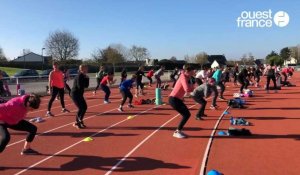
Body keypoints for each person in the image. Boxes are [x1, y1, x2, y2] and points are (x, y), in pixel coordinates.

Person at [169, 65, 195, 138]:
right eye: (193, 72)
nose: (194, 73)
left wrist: (192, 85)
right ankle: (177, 131)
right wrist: (192, 88)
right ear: (188, 71)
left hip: (177, 99)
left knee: (186, 114)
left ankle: (178, 130)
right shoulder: (183, 77)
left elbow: (188, 88)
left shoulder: (187, 77)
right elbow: (187, 89)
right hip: (173, 99)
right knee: (186, 115)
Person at [71, 65, 89, 129]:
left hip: (80, 94)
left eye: (87, 69)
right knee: (81, 108)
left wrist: (87, 78)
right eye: (86, 68)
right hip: (75, 94)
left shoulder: (84, 76)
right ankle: (76, 122)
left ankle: (80, 120)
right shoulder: (79, 76)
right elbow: (79, 86)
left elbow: (86, 86)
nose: (87, 70)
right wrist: (84, 79)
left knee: (85, 107)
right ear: (82, 69)